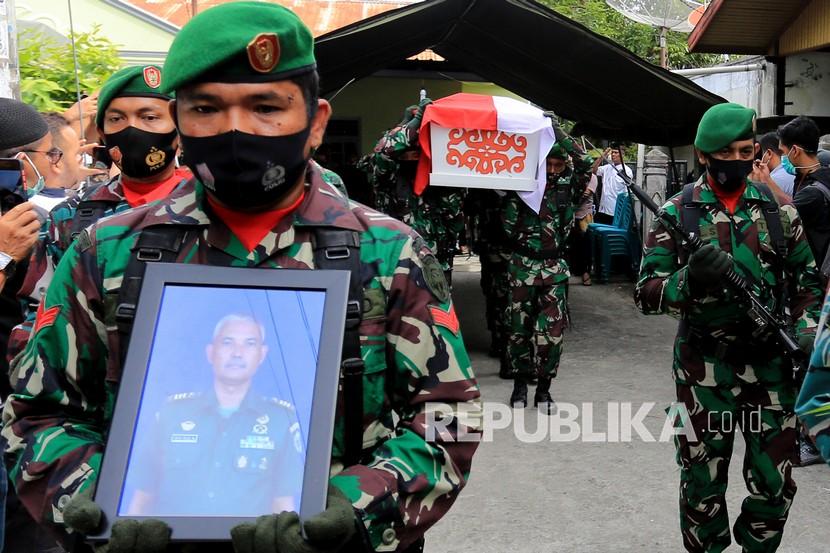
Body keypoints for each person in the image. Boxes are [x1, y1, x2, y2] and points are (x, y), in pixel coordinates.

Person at [2, 4, 481, 553]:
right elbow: (38, 411)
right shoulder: (108, 251)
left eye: (266, 106)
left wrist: (355, 509)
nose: (236, 130)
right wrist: (93, 503)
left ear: (317, 122)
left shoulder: (388, 252)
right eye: (207, 108)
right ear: (179, 120)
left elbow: (447, 416)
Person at [635, 102, 823, 553]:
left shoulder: (780, 212)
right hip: (704, 373)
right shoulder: (678, 213)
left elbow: (809, 288)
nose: (738, 161)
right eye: (727, 153)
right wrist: (689, 279)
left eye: (746, 151)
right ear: (704, 156)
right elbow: (647, 293)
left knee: (774, 484)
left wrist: (804, 334)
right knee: (701, 483)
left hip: (770, 372)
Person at [6, 65, 191, 363]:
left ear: (180, 130)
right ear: (103, 133)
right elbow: (40, 314)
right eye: (117, 118)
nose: (133, 129)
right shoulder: (70, 216)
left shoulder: (210, 209)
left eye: (150, 117)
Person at [127, 314, 304, 517]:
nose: (238, 353)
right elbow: (142, 499)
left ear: (262, 355)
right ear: (211, 352)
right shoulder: (172, 414)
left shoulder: (281, 421)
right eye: (228, 342)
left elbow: (283, 506)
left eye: (250, 344)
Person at [503, 128, 593, 410]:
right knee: (519, 330)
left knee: (552, 333)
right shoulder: (522, 183)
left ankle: (544, 390)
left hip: (554, 269)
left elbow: (585, 163)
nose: (554, 170)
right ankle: (520, 385)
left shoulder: (569, 185)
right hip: (522, 267)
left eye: (559, 165)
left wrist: (557, 131)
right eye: (549, 165)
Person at [780, 117, 830, 271]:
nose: (783, 158)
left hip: (816, 274)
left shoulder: (813, 193)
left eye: (783, 152)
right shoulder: (816, 177)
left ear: (794, 151)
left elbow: (784, 217)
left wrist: (763, 185)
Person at [25, 113, 84, 213]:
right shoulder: (64, 212)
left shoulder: (20, 203)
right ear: (55, 160)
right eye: (77, 153)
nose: (80, 159)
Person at [568, 172, 598, 286]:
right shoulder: (571, 175)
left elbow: (585, 195)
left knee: (585, 245)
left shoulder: (592, 178)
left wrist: (570, 200)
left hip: (583, 215)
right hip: (568, 215)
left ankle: (586, 273)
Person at [592, 143, 633, 225]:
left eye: (616, 153)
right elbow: (593, 170)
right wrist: (602, 156)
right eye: (612, 152)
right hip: (603, 209)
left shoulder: (627, 171)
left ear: (622, 154)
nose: (613, 154)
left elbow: (627, 193)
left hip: (616, 211)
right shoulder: (607, 167)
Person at [751, 131, 795, 201]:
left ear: (769, 153)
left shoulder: (774, 179)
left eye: (761, 154)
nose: (760, 158)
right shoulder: (791, 171)